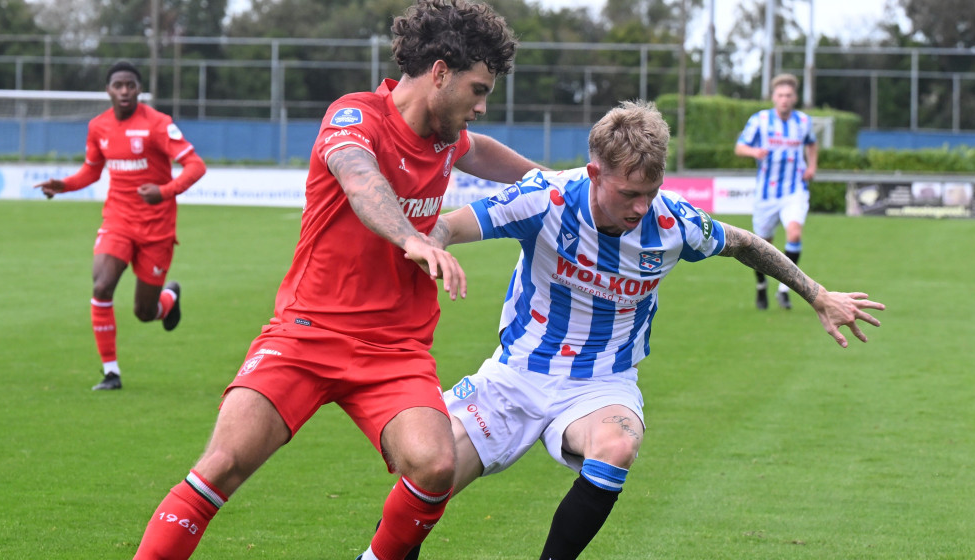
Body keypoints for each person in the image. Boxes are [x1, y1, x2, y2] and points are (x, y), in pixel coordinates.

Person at [130, 1, 544, 558]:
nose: (483, 105)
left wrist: (562, 185)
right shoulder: (355, 117)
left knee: (436, 465)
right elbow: (358, 177)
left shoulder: (448, 136)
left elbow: (487, 155)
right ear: (440, 73)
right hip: (306, 332)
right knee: (220, 466)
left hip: (395, 348)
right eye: (477, 89)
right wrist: (412, 238)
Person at [408, 101, 883, 560]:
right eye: (629, 193)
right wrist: (436, 246)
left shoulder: (672, 221)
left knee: (617, 445)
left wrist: (817, 294)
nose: (640, 207)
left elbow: (742, 243)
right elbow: (452, 225)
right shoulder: (546, 197)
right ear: (594, 174)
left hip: (601, 383)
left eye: (650, 192)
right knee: (430, 476)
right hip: (516, 375)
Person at [34, 60, 207, 391]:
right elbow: (92, 171)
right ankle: (111, 373)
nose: (124, 91)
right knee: (101, 286)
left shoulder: (158, 124)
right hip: (118, 220)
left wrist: (164, 192)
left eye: (130, 85)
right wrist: (64, 185)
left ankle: (169, 298)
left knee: (144, 311)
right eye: (118, 85)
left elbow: (195, 166)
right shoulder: (98, 126)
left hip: (157, 228)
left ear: (139, 89)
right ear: (108, 90)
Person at [734, 73, 819, 311]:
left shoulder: (803, 121)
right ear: (774, 97)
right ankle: (761, 285)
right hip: (766, 194)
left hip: (795, 190)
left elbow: (812, 144)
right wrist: (754, 152)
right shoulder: (760, 120)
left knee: (794, 233)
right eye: (780, 95)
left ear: (795, 98)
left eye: (788, 95)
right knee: (762, 248)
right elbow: (740, 147)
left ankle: (785, 288)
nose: (784, 99)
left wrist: (812, 166)